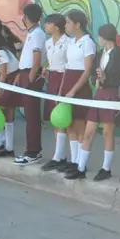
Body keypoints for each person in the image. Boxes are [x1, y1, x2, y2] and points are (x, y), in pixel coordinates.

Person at [76, 24, 120, 180]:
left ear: (104, 37)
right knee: (89, 130)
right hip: (99, 93)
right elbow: (93, 73)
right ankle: (80, 167)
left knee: (108, 132)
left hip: (112, 93)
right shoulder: (100, 54)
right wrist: (97, 79)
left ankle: (106, 168)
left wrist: (106, 78)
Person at [11, 3, 48, 166]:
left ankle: (33, 152)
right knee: (29, 114)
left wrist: (31, 78)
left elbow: (36, 58)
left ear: (25, 18)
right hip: (25, 74)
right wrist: (21, 74)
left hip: (31, 77)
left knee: (32, 116)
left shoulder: (38, 34)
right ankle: (32, 150)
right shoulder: (32, 33)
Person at [61, 10, 96, 179]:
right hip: (67, 82)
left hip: (79, 87)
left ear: (77, 24)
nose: (65, 25)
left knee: (80, 125)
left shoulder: (87, 42)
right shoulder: (71, 42)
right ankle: (74, 161)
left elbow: (87, 70)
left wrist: (74, 90)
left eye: (68, 22)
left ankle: (81, 164)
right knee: (70, 124)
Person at [41, 14, 70, 171]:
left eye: (49, 24)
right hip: (52, 78)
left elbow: (67, 65)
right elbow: (51, 61)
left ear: (57, 27)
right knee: (54, 118)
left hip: (63, 79)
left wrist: (61, 89)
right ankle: (59, 155)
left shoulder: (68, 42)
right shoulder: (47, 43)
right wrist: (46, 67)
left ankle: (60, 157)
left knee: (63, 118)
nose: (46, 26)